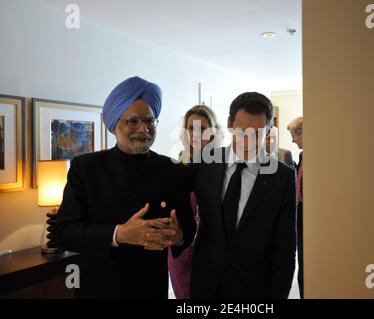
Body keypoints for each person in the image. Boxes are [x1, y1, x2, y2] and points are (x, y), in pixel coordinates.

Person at [53, 76, 196, 298]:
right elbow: (63, 232)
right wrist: (119, 234)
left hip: (151, 290)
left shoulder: (171, 169)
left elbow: (188, 226)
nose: (144, 128)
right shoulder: (86, 168)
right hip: (99, 290)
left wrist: (178, 236)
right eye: (133, 121)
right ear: (114, 124)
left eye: (150, 121)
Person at [186, 92, 297, 299]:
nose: (248, 141)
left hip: (254, 290)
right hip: (206, 286)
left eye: (257, 133)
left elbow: (285, 249)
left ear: (269, 130)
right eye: (242, 131)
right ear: (229, 124)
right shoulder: (205, 162)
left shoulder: (283, 177)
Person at [168, 104, 223, 299]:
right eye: (191, 128)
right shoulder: (179, 164)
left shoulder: (224, 165)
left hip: (214, 250)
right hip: (182, 251)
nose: (196, 134)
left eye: (202, 128)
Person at [287, 116, 304, 299]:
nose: (292, 140)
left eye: (294, 135)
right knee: (302, 262)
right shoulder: (301, 156)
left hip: (309, 215)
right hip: (298, 214)